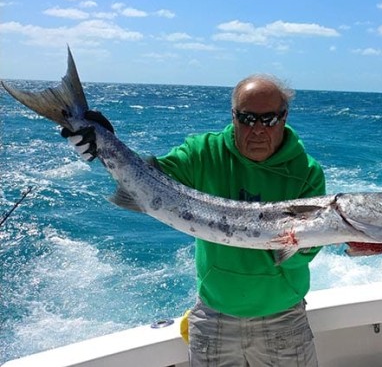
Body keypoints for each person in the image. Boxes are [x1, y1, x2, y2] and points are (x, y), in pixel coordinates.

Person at [64, 74, 325, 366]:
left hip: (283, 318)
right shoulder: (203, 153)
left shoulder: (307, 171)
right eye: (247, 119)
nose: (258, 130)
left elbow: (298, 259)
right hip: (215, 316)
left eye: (269, 119)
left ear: (284, 117)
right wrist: (101, 142)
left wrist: (307, 242)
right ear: (233, 116)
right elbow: (151, 180)